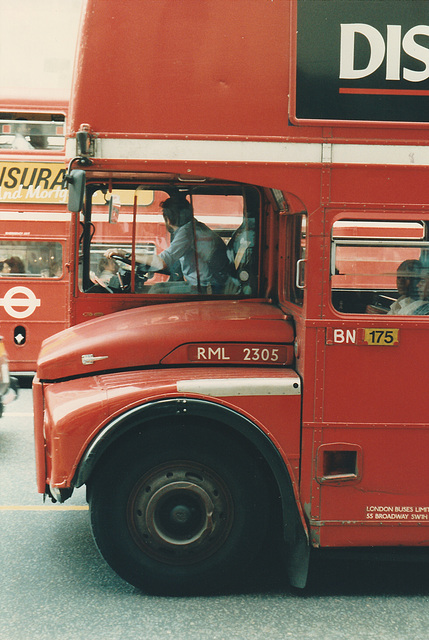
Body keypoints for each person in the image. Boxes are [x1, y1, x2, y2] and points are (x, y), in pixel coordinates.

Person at [106, 195, 233, 293]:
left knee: (157, 291)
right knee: (158, 287)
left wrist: (126, 254)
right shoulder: (195, 227)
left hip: (207, 289)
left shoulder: (187, 232)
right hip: (208, 284)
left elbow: (161, 262)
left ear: (168, 218)